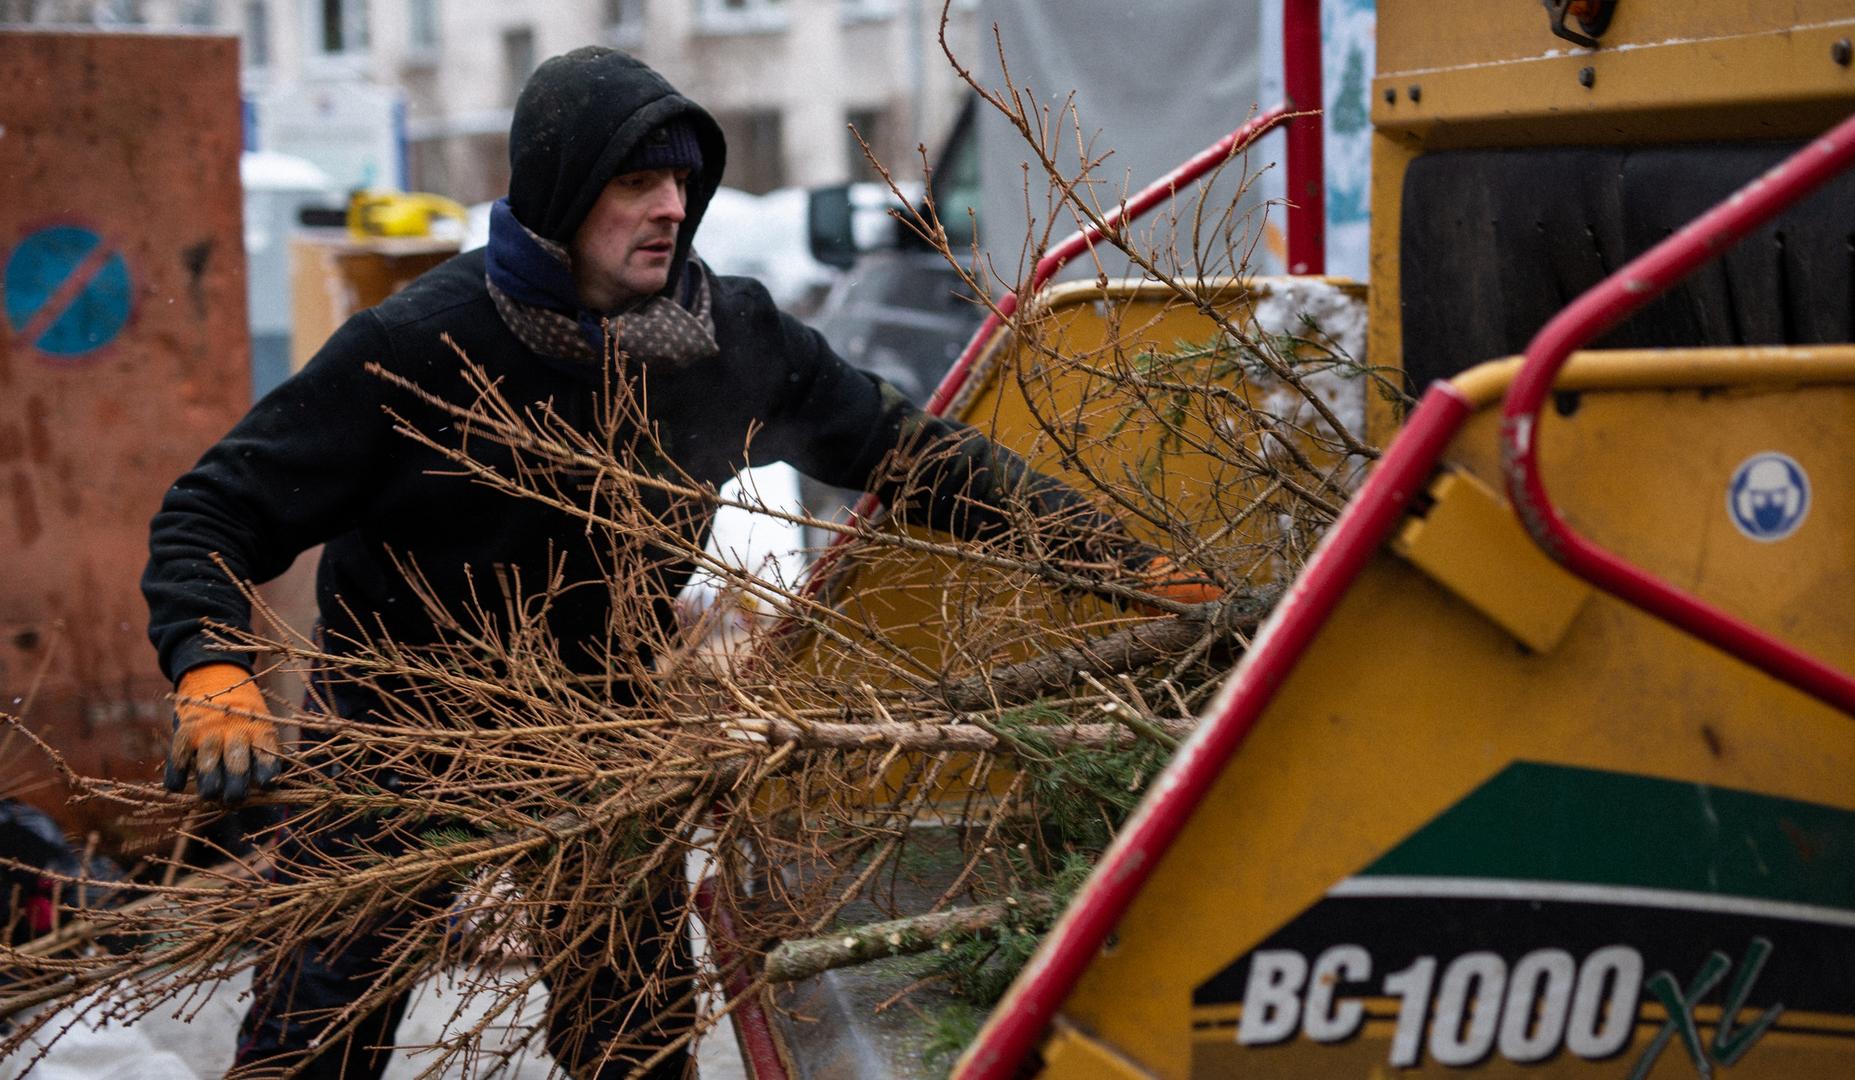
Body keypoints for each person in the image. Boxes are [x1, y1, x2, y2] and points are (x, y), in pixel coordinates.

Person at [144, 47, 1219, 1079]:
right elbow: (214, 509)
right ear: (562, 194)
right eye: (635, 182)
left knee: (635, 1036)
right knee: (316, 1035)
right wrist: (210, 661)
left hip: (598, 717)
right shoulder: (423, 347)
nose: (670, 206)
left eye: (682, 183)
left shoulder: (724, 341)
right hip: (400, 720)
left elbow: (919, 458)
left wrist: (1114, 558)